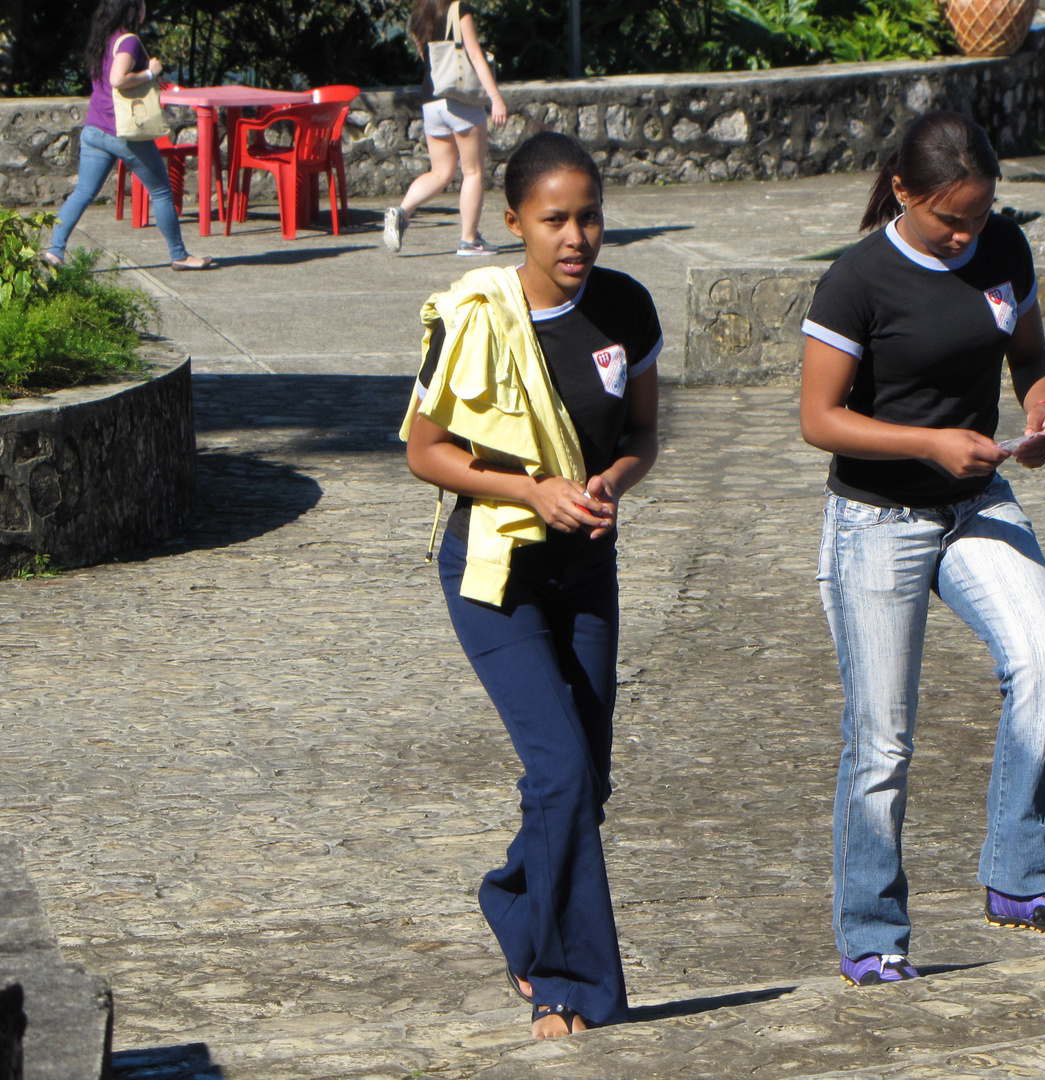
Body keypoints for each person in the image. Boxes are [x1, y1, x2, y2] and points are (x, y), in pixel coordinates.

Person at [799, 110, 1045, 988]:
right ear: (903, 191)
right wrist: (927, 442)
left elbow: (1031, 358)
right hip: (876, 521)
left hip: (977, 500)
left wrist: (1042, 410)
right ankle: (870, 932)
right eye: (950, 221)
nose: (968, 235)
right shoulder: (856, 281)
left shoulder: (1004, 248)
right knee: (882, 742)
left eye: (979, 215)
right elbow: (820, 419)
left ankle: (1021, 877)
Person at [402, 132, 660, 1037]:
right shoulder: (478, 314)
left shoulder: (625, 306)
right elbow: (424, 453)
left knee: (584, 782)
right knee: (556, 770)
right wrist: (529, 490)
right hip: (492, 569)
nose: (576, 235)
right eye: (555, 219)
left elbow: (641, 437)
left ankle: (514, 895)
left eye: (589, 216)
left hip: (586, 564)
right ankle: (568, 981)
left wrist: (607, 487)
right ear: (514, 222)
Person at [43, 0, 212, 271]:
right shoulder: (129, 41)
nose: (146, 8)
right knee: (161, 192)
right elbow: (117, 79)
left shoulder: (104, 37)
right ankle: (179, 255)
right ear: (133, 9)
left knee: (83, 193)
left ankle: (55, 250)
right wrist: (149, 72)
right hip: (124, 133)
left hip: (94, 129)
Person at [384, 0, 507, 255]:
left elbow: (423, 55)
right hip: (459, 99)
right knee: (472, 172)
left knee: (441, 172)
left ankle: (402, 211)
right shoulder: (459, 8)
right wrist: (495, 97)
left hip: (431, 100)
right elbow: (474, 54)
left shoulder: (420, 11)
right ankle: (469, 240)